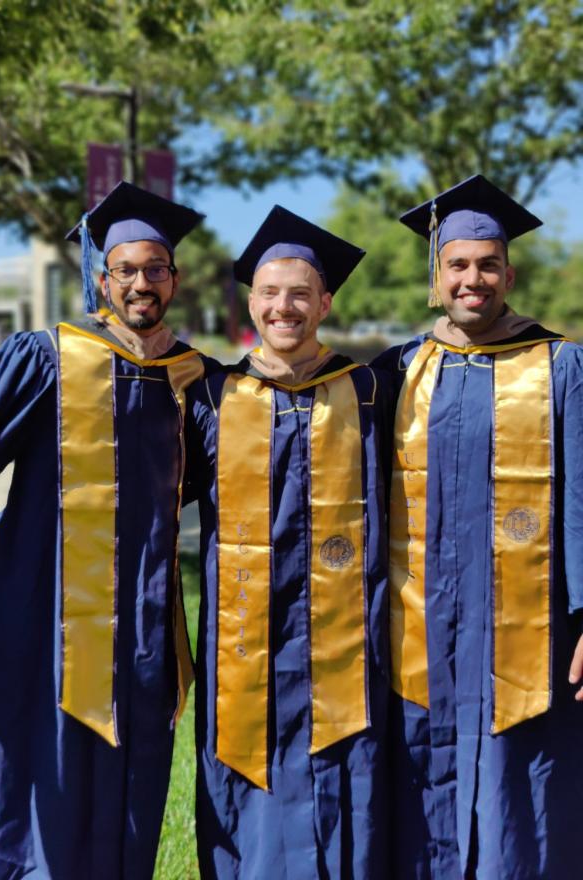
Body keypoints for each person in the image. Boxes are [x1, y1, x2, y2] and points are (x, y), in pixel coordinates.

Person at [0, 181, 210, 879]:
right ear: (102, 278)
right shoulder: (46, 359)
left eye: (156, 269)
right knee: (39, 779)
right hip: (48, 614)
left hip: (144, 624)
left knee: (133, 783)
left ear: (175, 279)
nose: (142, 283)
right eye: (127, 270)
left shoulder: (194, 380)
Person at [375, 175, 583, 879]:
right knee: (421, 790)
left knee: (520, 798)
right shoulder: (399, 371)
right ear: (436, 278)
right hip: (421, 625)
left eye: (488, 265)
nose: (473, 279)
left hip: (528, 632)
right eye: (458, 265)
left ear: (509, 275)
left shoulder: (560, 367)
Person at [186, 206, 392, 879]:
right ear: (251, 302)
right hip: (247, 639)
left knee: (347, 773)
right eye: (270, 293)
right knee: (254, 777)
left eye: (301, 294)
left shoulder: (367, 392)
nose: (285, 307)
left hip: (346, 639)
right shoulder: (213, 397)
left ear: (325, 303)